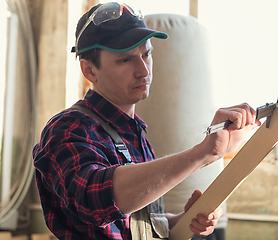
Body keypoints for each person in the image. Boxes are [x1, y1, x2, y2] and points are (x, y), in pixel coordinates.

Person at [32, 2, 260, 240]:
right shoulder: (69, 128)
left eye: (146, 54)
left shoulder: (135, 133)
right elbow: (94, 200)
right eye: (125, 60)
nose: (143, 70)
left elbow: (144, 222)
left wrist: (187, 219)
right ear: (89, 71)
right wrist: (203, 153)